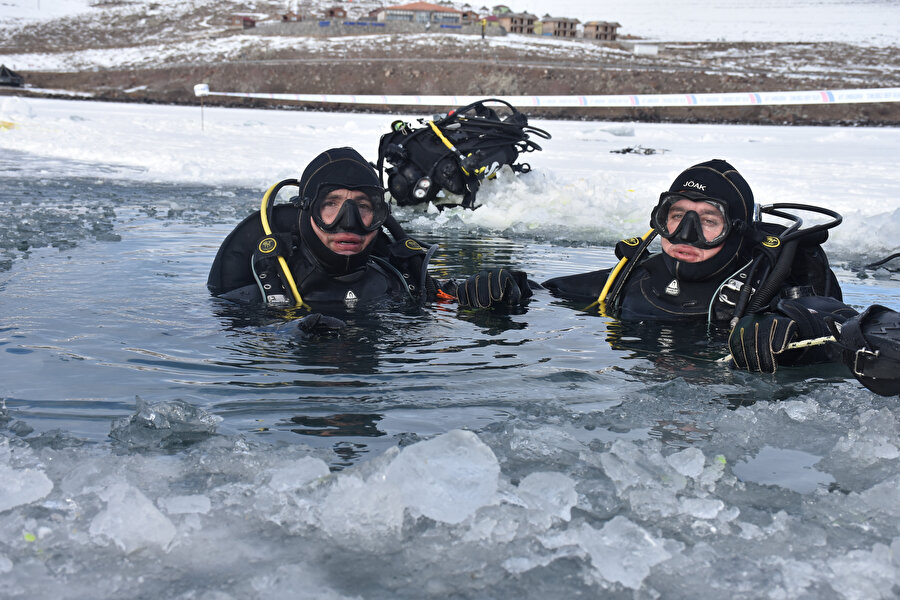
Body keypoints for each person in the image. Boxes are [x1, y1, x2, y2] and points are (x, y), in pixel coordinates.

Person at [542, 159, 863, 375]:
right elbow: (544, 294)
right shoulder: (631, 281)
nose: (686, 234)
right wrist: (508, 287)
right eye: (678, 216)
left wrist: (803, 327)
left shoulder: (769, 289)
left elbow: (858, 329)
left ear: (737, 229)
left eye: (709, 220)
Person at [207, 147, 532, 312]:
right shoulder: (261, 292)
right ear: (306, 211)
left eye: (363, 207)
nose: (349, 223)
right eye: (331, 204)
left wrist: (509, 289)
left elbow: (450, 300)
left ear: (381, 214)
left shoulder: (400, 280)